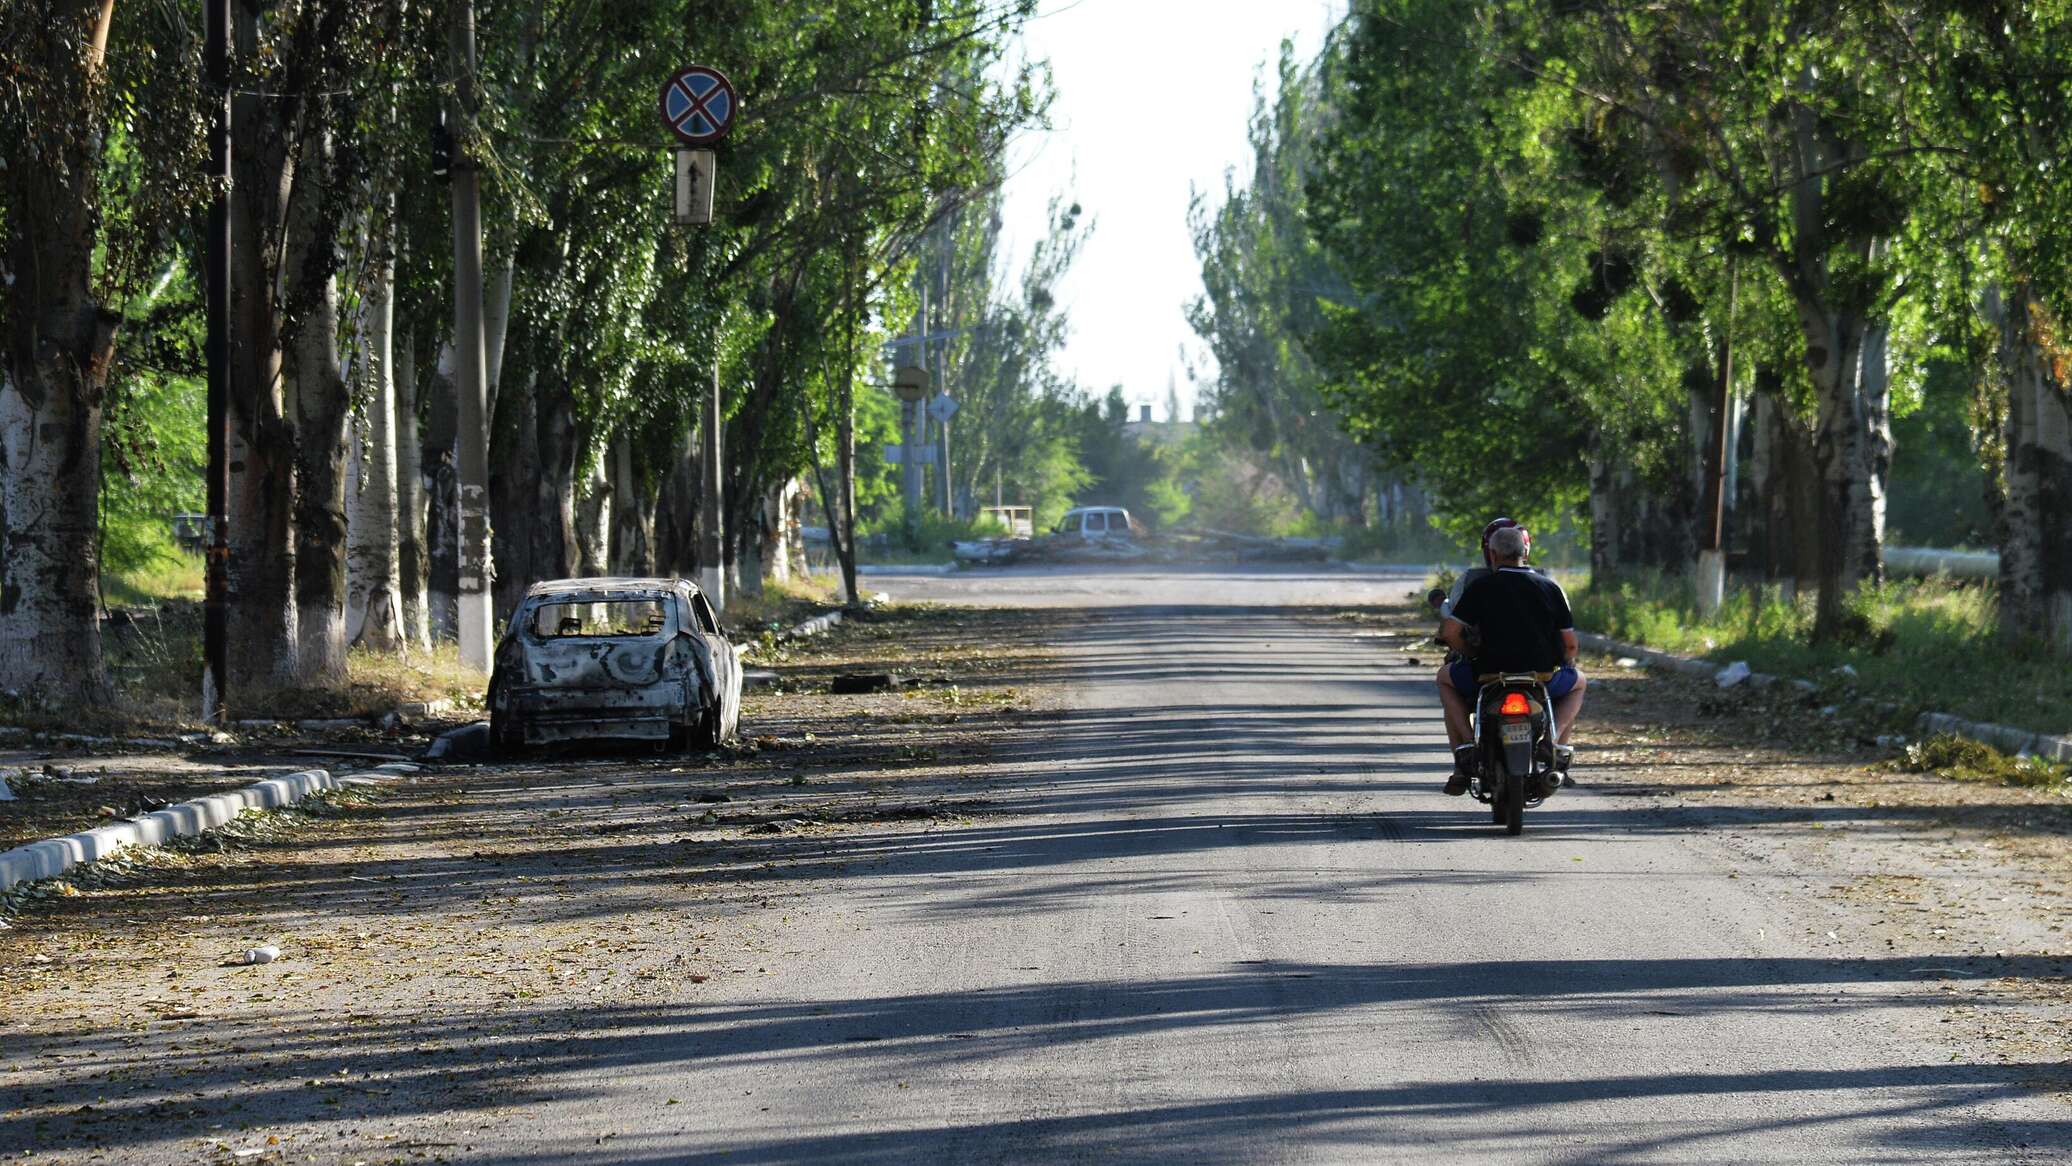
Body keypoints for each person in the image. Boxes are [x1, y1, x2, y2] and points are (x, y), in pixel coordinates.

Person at [1435, 524, 1585, 796]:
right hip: (1541, 677)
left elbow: (1449, 632)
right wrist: (1567, 663)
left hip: (1488, 675)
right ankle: (1552, 741)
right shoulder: (1550, 587)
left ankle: (1468, 746)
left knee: (1444, 679)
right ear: (1525, 552)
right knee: (1579, 683)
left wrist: (1468, 654)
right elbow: (1570, 643)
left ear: (1491, 554)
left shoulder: (1479, 586)